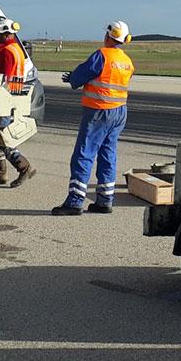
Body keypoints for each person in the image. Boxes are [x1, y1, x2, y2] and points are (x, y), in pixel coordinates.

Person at [53, 19, 134, 216]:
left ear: (108, 35)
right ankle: (105, 200)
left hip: (99, 111)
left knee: (84, 153)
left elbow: (81, 75)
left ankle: (75, 202)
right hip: (119, 112)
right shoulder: (127, 61)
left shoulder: (102, 55)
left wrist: (73, 78)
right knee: (108, 154)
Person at [0, 20, 35, 187]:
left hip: (3, 99)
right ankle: (0, 174)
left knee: (2, 138)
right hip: (13, 98)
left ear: (5, 35)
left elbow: (1, 77)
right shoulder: (17, 49)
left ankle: (24, 166)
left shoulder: (6, 51)